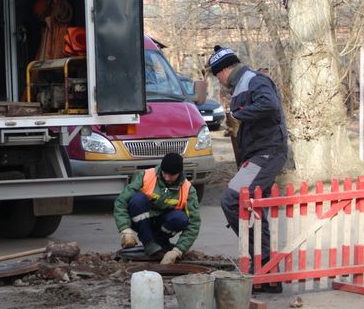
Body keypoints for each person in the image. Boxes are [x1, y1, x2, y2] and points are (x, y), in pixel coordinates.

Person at [208, 45, 288, 291]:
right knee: (253, 209)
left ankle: (262, 261)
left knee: (232, 199)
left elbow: (270, 105)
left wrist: (240, 114)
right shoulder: (241, 84)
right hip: (256, 155)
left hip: (267, 153)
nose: (219, 82)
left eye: (216, 76)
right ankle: (267, 272)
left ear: (224, 70)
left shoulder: (253, 80)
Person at [114, 153, 201, 265]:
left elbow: (193, 223)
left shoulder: (187, 189)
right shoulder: (146, 176)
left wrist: (178, 250)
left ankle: (160, 242)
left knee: (180, 218)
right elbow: (121, 202)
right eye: (165, 173)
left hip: (163, 226)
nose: (167, 178)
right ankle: (149, 242)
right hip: (142, 223)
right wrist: (125, 228)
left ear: (179, 173)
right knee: (137, 200)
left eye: (172, 175)